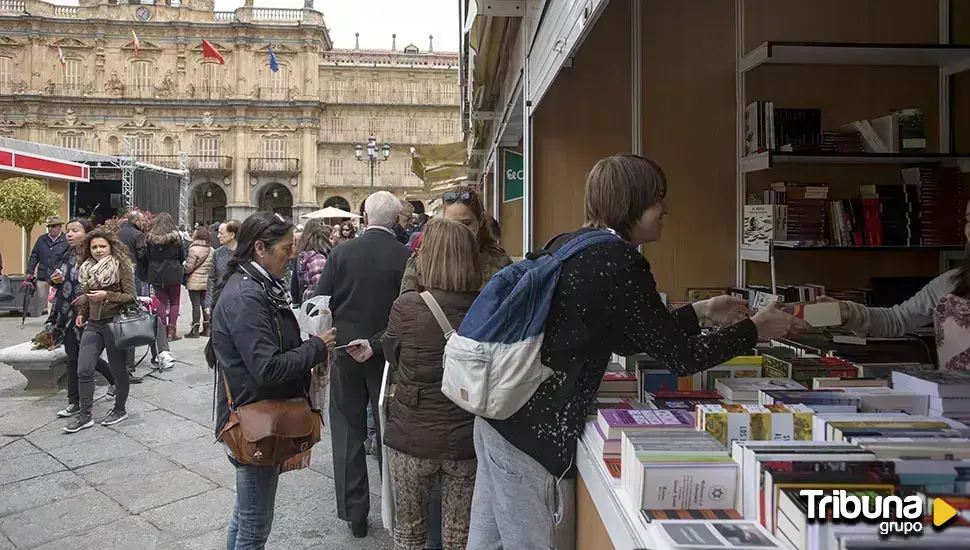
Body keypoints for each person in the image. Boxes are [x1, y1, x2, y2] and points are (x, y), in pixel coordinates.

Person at [465, 155, 796, 548]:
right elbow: (682, 360)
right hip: (532, 441)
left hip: (501, 419)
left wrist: (700, 311)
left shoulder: (572, 244)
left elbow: (626, 337)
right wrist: (753, 329)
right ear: (631, 204)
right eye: (658, 199)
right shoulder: (617, 261)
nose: (666, 210)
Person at [210, 212, 335, 549]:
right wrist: (315, 349)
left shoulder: (255, 285)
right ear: (260, 249)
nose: (291, 254)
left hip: (255, 412)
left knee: (246, 514)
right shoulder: (247, 296)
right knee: (254, 525)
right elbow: (266, 368)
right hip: (255, 420)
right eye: (285, 248)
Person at [314, 191, 412, 538]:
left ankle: (355, 514)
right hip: (390, 355)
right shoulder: (406, 256)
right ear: (397, 219)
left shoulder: (341, 252)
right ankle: (396, 508)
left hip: (345, 351)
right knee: (391, 434)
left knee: (347, 433)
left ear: (365, 216)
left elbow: (320, 303)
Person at [383, 218, 481, 550]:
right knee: (460, 534)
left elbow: (391, 355)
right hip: (467, 438)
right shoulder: (485, 307)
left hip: (412, 435)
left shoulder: (407, 305)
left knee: (409, 532)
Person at [822, 199, 970, 370]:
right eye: (969, 220)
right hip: (952, 395)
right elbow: (898, 319)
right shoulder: (951, 282)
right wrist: (847, 313)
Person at [65, 228, 137, 433]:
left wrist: (107, 294)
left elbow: (130, 296)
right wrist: (83, 313)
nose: (98, 250)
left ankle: (120, 409)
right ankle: (85, 415)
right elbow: (89, 295)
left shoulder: (120, 265)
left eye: (102, 246)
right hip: (94, 324)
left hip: (115, 323)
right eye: (94, 247)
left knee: (118, 370)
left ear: (110, 247)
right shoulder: (87, 267)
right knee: (84, 368)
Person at [47, 218, 117, 418]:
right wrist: (55, 280)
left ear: (87, 233)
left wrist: (86, 308)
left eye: (74, 230)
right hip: (67, 314)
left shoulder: (94, 255)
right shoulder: (65, 253)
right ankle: (73, 402)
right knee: (72, 359)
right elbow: (60, 281)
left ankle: (113, 381)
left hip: (89, 315)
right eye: (68, 231)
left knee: (88, 359)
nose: (69, 234)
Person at [402, 187, 512, 294]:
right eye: (452, 224)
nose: (459, 231)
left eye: (466, 224)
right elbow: (407, 307)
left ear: (481, 221)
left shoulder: (499, 262)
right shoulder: (422, 260)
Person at [141, 212, 187, 342]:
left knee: (159, 302)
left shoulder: (150, 238)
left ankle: (162, 331)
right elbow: (182, 255)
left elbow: (147, 256)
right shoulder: (176, 237)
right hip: (173, 272)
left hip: (155, 272)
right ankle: (172, 332)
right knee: (174, 301)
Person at [27, 216, 70, 313]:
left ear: (60, 226)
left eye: (53, 226)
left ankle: (52, 322)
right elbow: (34, 256)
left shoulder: (66, 240)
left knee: (53, 300)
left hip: (58, 277)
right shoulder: (42, 239)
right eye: (48, 226)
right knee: (43, 299)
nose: (50, 228)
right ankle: (51, 318)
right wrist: (30, 271)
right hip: (43, 275)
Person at [183, 226, 214, 338]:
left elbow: (188, 268)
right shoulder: (211, 250)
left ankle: (195, 330)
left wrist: (184, 267)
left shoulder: (193, 249)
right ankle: (207, 329)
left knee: (195, 305)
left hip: (194, 281)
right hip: (206, 281)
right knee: (205, 304)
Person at [205, 220, 240, 319]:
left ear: (232, 234)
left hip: (240, 301)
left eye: (221, 233)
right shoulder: (218, 253)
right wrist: (208, 303)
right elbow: (211, 279)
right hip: (220, 300)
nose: (218, 236)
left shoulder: (245, 253)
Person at [295, 219, 332, 304]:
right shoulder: (317, 258)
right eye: (331, 238)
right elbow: (321, 285)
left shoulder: (306, 254)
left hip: (308, 300)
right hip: (317, 304)